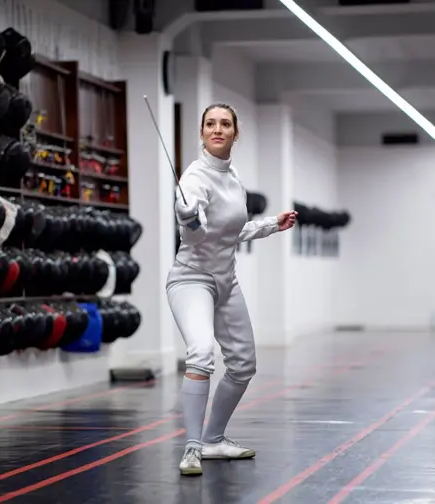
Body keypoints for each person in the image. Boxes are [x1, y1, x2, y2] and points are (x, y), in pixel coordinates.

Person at [166, 103, 297, 476]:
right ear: (202, 132)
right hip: (191, 278)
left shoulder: (233, 177)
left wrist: (271, 224)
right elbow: (192, 219)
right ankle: (191, 448)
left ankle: (213, 439)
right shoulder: (194, 178)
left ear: (235, 133)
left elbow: (230, 233)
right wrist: (188, 215)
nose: (217, 129)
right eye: (210, 123)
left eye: (225, 124)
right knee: (202, 352)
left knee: (242, 364)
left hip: (226, 279)